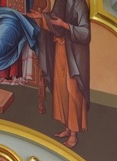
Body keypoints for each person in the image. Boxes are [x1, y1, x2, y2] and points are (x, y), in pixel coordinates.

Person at [37, 0, 90, 151]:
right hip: (60, 48)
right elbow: (54, 21)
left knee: (72, 91)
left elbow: (85, 33)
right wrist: (42, 17)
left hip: (74, 56)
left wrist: (64, 25)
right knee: (61, 88)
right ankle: (67, 127)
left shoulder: (79, 4)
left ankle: (73, 134)